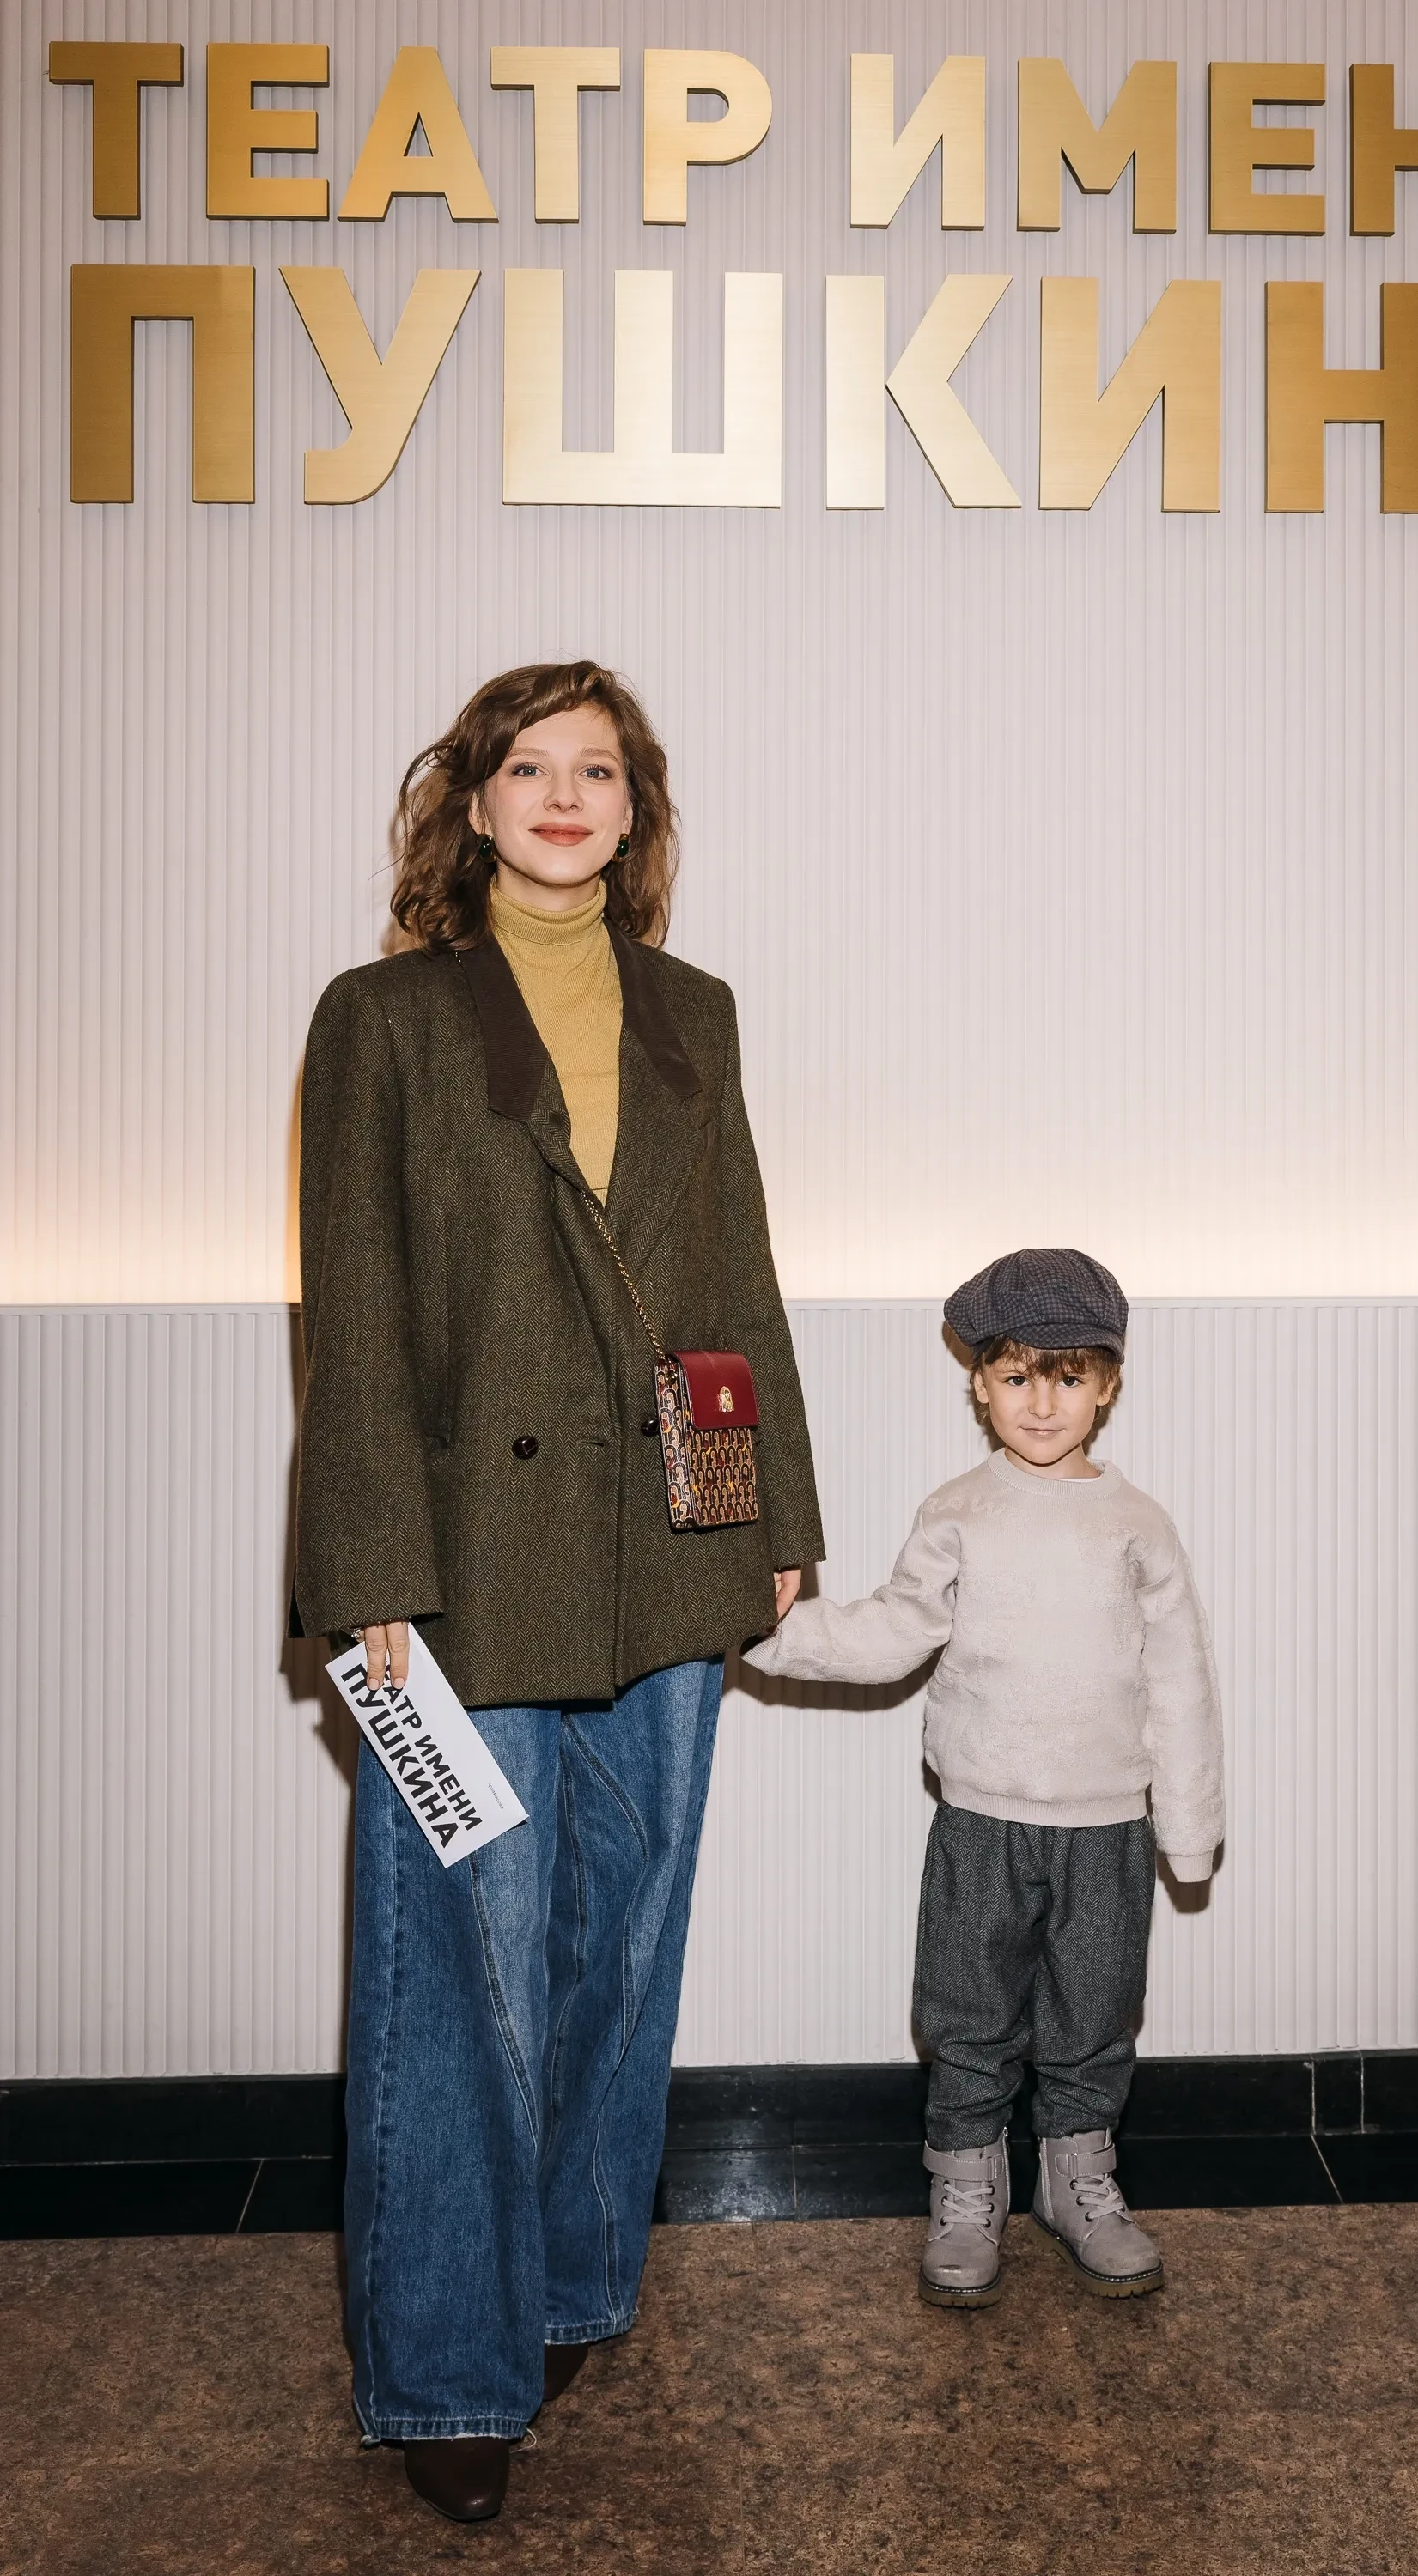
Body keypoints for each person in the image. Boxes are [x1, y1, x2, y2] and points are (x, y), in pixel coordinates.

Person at [292, 661, 822, 2522]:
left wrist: (773, 1516)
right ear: (473, 801)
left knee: (624, 1934)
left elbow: (735, 1278)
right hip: (463, 1569)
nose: (566, 794)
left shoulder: (696, 1012)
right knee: (460, 1964)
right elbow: (353, 1309)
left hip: (666, 1540)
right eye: (530, 766)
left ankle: (577, 2276)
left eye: (600, 768)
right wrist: (369, 1568)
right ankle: (448, 2372)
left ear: (635, 807)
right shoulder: (383, 1018)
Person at [746, 1248, 1222, 2307]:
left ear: (1106, 1385)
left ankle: (1076, 2182)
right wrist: (768, 1633)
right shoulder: (958, 1511)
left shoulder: (1137, 1526)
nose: (1040, 1403)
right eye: (1015, 1376)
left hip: (1107, 1826)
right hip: (978, 1821)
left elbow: (1181, 1683)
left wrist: (1186, 1831)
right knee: (965, 2012)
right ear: (977, 1384)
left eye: (1066, 1376)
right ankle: (966, 2192)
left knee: (1093, 2012)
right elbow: (891, 1631)